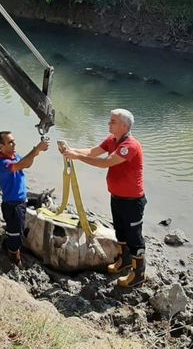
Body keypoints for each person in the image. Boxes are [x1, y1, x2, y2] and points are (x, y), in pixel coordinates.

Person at [59, 109, 146, 288]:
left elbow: (105, 162)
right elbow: (93, 151)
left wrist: (77, 157)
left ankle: (139, 274)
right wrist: (71, 151)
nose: (109, 124)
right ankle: (125, 261)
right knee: (120, 231)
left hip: (132, 201)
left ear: (124, 126)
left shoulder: (130, 146)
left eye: (113, 121)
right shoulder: (112, 140)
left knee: (134, 238)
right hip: (117, 197)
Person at [0, 131, 49, 268]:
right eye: (10, 142)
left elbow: (26, 164)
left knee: (18, 229)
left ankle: (12, 241)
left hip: (21, 200)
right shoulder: (2, 163)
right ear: (1, 146)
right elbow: (20, 165)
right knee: (15, 237)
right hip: (12, 205)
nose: (14, 144)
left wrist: (37, 151)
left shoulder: (14, 157)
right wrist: (36, 149)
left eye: (14, 141)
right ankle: (15, 260)